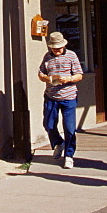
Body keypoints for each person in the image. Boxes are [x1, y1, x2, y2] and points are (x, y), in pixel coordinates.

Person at [38, 31, 83, 169]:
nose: (57, 50)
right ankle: (58, 142)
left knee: (69, 128)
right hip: (51, 96)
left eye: (59, 48)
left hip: (68, 97)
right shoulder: (47, 57)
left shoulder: (71, 56)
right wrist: (48, 79)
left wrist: (68, 79)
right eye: (54, 48)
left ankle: (69, 155)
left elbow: (79, 75)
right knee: (49, 124)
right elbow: (41, 73)